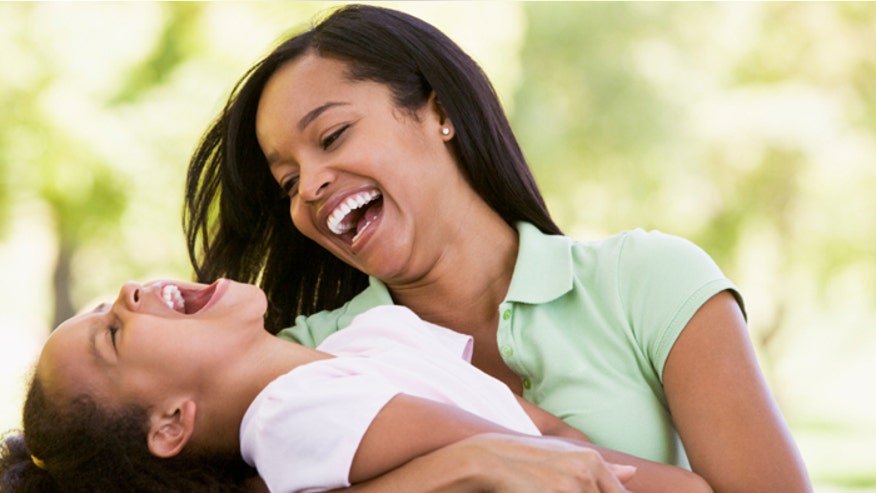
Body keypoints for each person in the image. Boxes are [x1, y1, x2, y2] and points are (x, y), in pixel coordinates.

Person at [184, 4, 812, 492]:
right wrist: (463, 467)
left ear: (439, 112)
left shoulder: (647, 281)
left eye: (334, 134)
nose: (311, 186)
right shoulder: (307, 356)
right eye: (288, 182)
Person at [0, 278, 714, 493]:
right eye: (114, 333)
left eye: (104, 306)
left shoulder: (374, 337)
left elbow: (551, 439)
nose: (126, 292)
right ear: (170, 423)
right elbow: (532, 465)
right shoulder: (290, 418)